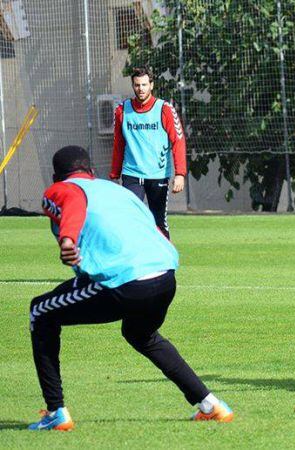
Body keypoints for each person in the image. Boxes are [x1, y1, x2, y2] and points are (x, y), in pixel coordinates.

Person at [28, 146, 232, 431]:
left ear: (55, 177)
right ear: (92, 172)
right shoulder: (118, 192)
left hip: (126, 280)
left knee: (40, 311)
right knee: (141, 334)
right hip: (165, 275)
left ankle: (55, 412)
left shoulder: (62, 189)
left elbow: (73, 202)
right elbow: (152, 227)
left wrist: (68, 240)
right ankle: (211, 405)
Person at [110, 66, 186, 239]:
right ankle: (135, 261)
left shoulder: (164, 109)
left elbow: (178, 141)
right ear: (133, 85)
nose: (141, 89)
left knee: (158, 221)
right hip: (131, 175)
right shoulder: (122, 110)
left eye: (144, 85)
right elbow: (118, 144)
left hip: (157, 175)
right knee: (129, 218)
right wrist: (114, 174)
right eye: (137, 85)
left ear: (151, 85)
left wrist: (180, 174)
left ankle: (166, 262)